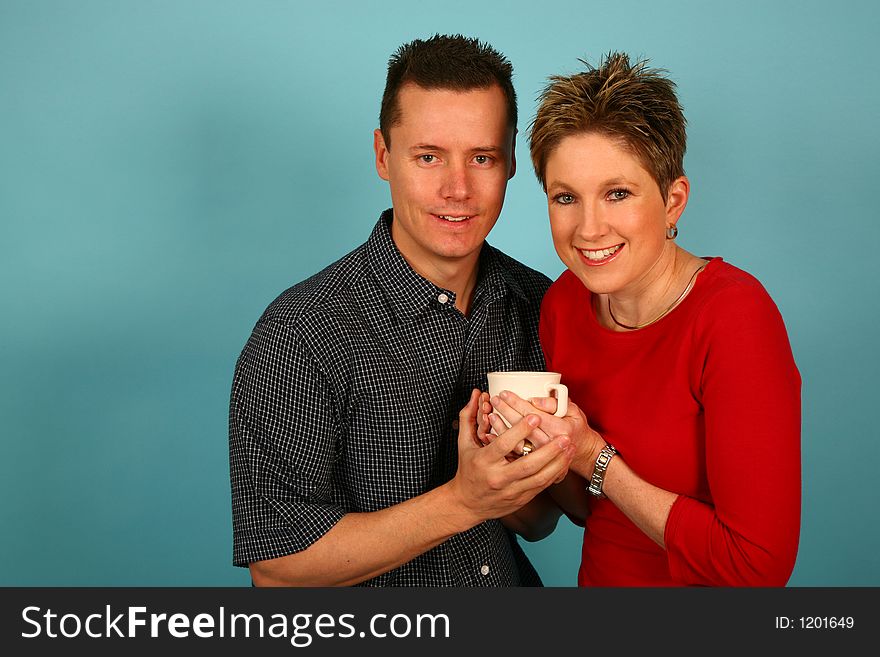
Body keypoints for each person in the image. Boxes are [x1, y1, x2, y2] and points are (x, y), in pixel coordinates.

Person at [228, 34, 574, 587]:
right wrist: (462, 501)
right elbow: (277, 569)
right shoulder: (299, 333)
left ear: (511, 163)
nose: (457, 189)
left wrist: (522, 475)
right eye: (429, 157)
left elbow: (536, 523)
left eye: (481, 157)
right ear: (383, 157)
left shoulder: (540, 302)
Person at [482, 52, 801, 586]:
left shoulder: (735, 319)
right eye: (566, 198)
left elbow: (756, 568)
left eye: (618, 194)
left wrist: (595, 456)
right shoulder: (563, 303)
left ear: (673, 201)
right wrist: (530, 445)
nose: (588, 228)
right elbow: (589, 510)